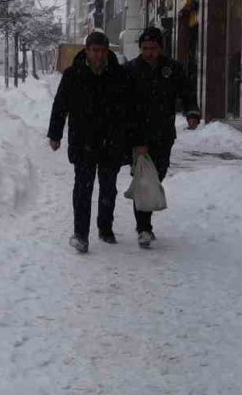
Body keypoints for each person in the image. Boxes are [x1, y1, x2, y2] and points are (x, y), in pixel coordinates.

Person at [47, 31, 133, 253]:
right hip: (83, 141)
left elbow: (130, 109)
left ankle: (105, 228)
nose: (99, 55)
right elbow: (60, 105)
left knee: (108, 188)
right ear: (86, 50)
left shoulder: (118, 75)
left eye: (103, 50)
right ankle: (81, 234)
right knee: (82, 189)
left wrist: (130, 138)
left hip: (111, 141)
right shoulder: (73, 74)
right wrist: (55, 134)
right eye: (95, 50)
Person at [124, 27, 200, 248]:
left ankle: (145, 223)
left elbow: (187, 92)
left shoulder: (172, 69)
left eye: (153, 48)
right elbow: (122, 102)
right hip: (138, 134)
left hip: (163, 133)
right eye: (145, 48)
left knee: (158, 174)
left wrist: (192, 112)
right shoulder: (131, 69)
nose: (149, 52)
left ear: (160, 48)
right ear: (140, 48)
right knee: (143, 179)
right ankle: (143, 228)